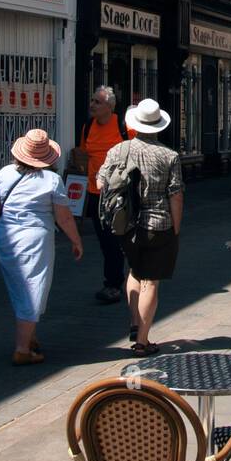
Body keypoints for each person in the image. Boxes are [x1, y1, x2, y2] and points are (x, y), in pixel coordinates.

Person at [0, 128, 83, 366]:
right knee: (34, 288)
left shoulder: (4, 174)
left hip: (6, 236)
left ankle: (29, 336)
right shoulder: (51, 180)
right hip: (35, 239)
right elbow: (64, 218)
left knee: (19, 287)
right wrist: (76, 240)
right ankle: (22, 348)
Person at [97, 98, 183, 356]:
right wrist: (175, 228)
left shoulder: (117, 150)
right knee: (151, 281)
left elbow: (101, 183)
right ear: (158, 126)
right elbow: (176, 195)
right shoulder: (169, 156)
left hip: (126, 225)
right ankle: (142, 342)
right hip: (159, 224)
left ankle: (134, 322)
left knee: (134, 271)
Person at [78, 87, 127, 304]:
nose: (92, 105)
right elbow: (84, 154)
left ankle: (114, 284)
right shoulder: (87, 127)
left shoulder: (123, 126)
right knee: (105, 241)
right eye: (92, 100)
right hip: (95, 193)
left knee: (113, 240)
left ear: (109, 106)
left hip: (119, 193)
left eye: (97, 102)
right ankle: (115, 280)